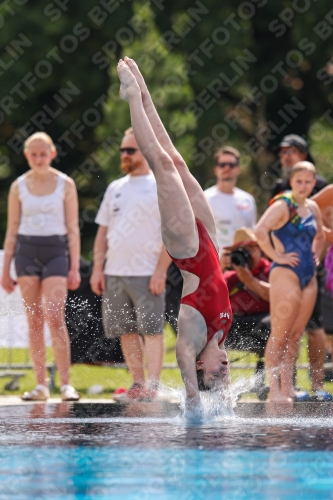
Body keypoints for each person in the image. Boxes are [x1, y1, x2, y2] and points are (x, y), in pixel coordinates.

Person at [116, 56, 232, 415]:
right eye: (226, 373)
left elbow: (184, 370)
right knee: (179, 162)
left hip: (187, 248)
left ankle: (132, 98)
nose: (225, 370)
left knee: (163, 166)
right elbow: (225, 394)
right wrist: (224, 400)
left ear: (200, 366)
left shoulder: (191, 338)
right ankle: (144, 91)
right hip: (210, 241)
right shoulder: (220, 337)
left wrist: (195, 397)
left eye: (217, 373)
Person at [90, 127, 171, 402]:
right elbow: (102, 233)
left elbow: (171, 233)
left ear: (145, 151)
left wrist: (161, 270)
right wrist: (98, 269)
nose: (124, 154)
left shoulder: (160, 185)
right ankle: (137, 385)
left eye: (130, 150)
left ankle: (154, 387)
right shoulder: (115, 188)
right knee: (126, 332)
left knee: (152, 332)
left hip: (147, 273)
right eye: (123, 149)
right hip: (114, 273)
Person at [0, 132, 81, 401]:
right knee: (34, 320)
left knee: (55, 317)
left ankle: (66, 384)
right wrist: (5, 269)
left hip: (55, 251)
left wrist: (74, 267)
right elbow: (11, 228)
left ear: (52, 154)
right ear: (26, 156)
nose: (38, 159)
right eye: (33, 155)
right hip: (26, 251)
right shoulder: (18, 186)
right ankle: (41, 385)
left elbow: (72, 228)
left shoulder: (65, 184)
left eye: (42, 154)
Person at [255, 161, 325, 402]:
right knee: (280, 334)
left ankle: (288, 388)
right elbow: (259, 230)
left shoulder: (313, 207)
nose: (303, 186)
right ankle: (275, 390)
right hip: (286, 273)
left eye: (308, 182)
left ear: (314, 183)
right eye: (298, 181)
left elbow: (320, 235)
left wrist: (316, 255)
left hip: (308, 276)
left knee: (295, 334)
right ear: (291, 182)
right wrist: (276, 256)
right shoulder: (284, 205)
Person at [204, 146, 256, 269]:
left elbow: (252, 234)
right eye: (222, 165)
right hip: (214, 266)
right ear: (216, 169)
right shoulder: (205, 198)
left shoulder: (247, 200)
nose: (227, 168)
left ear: (238, 169)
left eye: (231, 165)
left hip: (243, 266)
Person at [223, 228, 271, 355]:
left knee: (278, 325)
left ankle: (282, 375)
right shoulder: (230, 276)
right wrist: (218, 269)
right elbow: (211, 301)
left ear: (259, 249)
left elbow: (275, 297)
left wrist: (250, 281)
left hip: (265, 327)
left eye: (249, 250)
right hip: (237, 326)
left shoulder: (271, 271)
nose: (245, 256)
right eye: (240, 252)